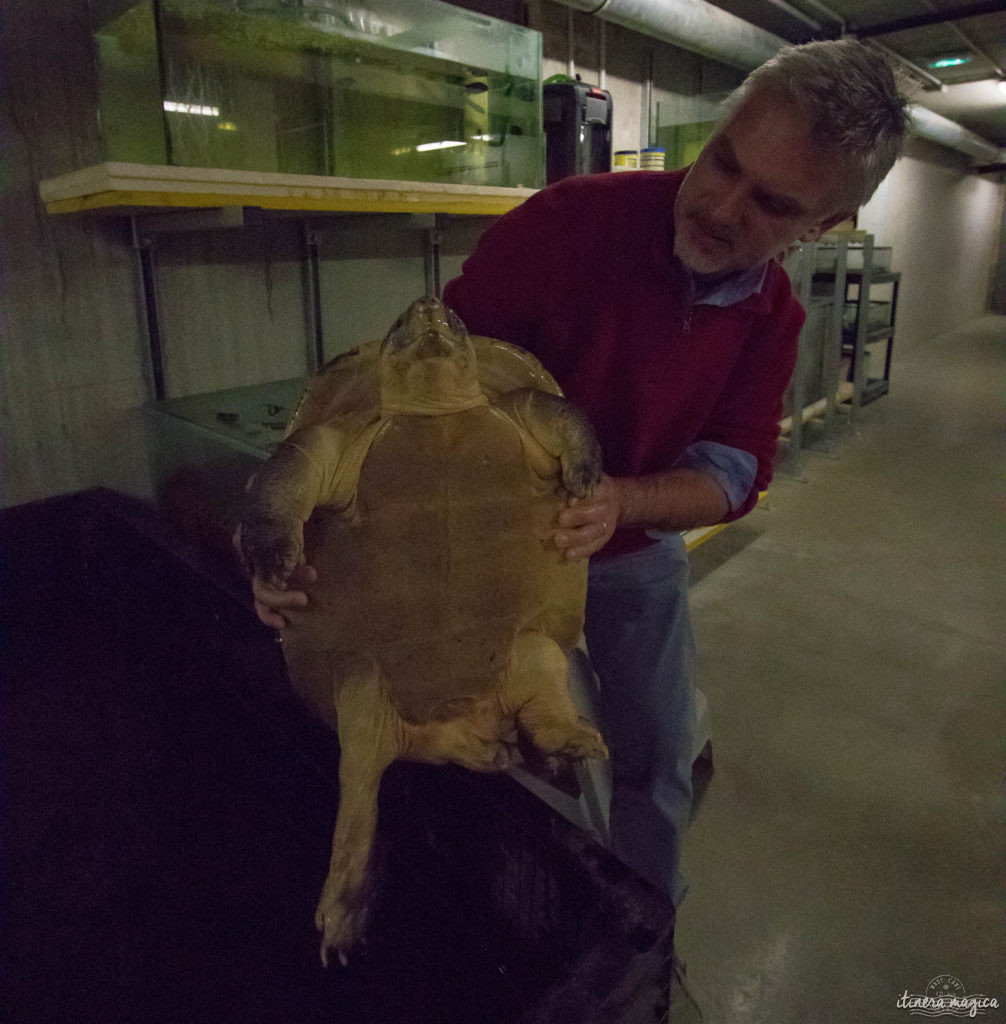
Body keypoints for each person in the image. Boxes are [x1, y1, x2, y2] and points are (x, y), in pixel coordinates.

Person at [249, 40, 908, 910]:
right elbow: (420, 381)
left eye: (771, 204)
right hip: (480, 543)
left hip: (631, 549)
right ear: (716, 135)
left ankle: (641, 918)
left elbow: (737, 466)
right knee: (491, 748)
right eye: (724, 163)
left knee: (657, 754)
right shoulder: (568, 222)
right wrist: (279, 545)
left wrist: (622, 501)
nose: (720, 205)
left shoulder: (770, 318)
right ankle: (516, 903)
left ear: (819, 228)